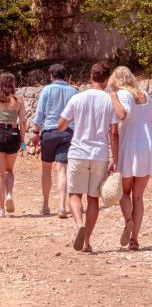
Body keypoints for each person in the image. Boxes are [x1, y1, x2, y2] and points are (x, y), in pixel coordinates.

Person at [58, 61, 119, 252]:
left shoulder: (78, 98)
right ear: (107, 79)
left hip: (78, 152)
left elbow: (61, 124)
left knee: (74, 194)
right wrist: (115, 159)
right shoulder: (110, 101)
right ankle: (87, 242)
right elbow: (114, 133)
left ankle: (79, 225)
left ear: (90, 77)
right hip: (99, 154)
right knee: (93, 198)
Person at [108, 66, 152, 251]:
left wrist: (113, 96)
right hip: (148, 144)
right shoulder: (146, 95)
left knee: (123, 192)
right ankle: (134, 240)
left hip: (130, 144)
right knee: (138, 196)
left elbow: (121, 114)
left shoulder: (122, 95)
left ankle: (128, 220)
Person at [31, 63, 79, 218]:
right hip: (67, 132)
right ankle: (62, 206)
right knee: (62, 169)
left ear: (51, 76)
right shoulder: (74, 91)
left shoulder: (47, 90)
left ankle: (45, 205)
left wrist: (36, 132)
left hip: (50, 132)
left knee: (46, 169)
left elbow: (40, 113)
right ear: (65, 76)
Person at [0, 72, 26, 217]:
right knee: (9, 170)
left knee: (0, 173)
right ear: (13, 83)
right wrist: (22, 141)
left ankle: (1, 209)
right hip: (13, 135)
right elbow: (22, 122)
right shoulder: (19, 100)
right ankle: (9, 194)